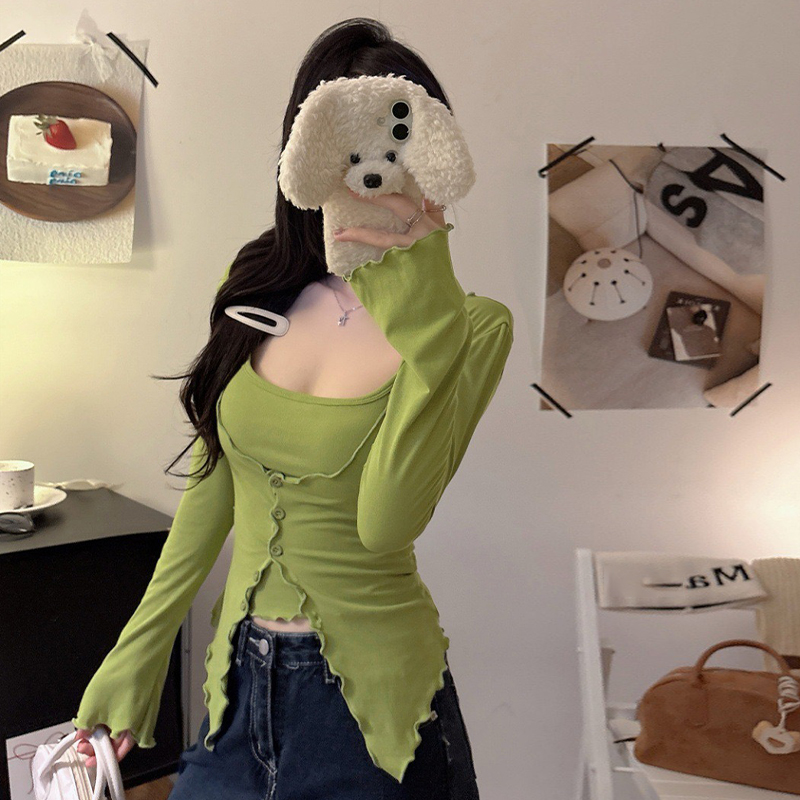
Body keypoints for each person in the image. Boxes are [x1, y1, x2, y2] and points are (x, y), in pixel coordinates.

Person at [72, 17, 513, 799]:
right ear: (304, 149)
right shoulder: (254, 288)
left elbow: (386, 523)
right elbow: (213, 485)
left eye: (396, 140)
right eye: (344, 139)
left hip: (374, 717)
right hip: (238, 688)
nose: (370, 171)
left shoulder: (472, 327)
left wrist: (427, 324)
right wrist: (138, 650)